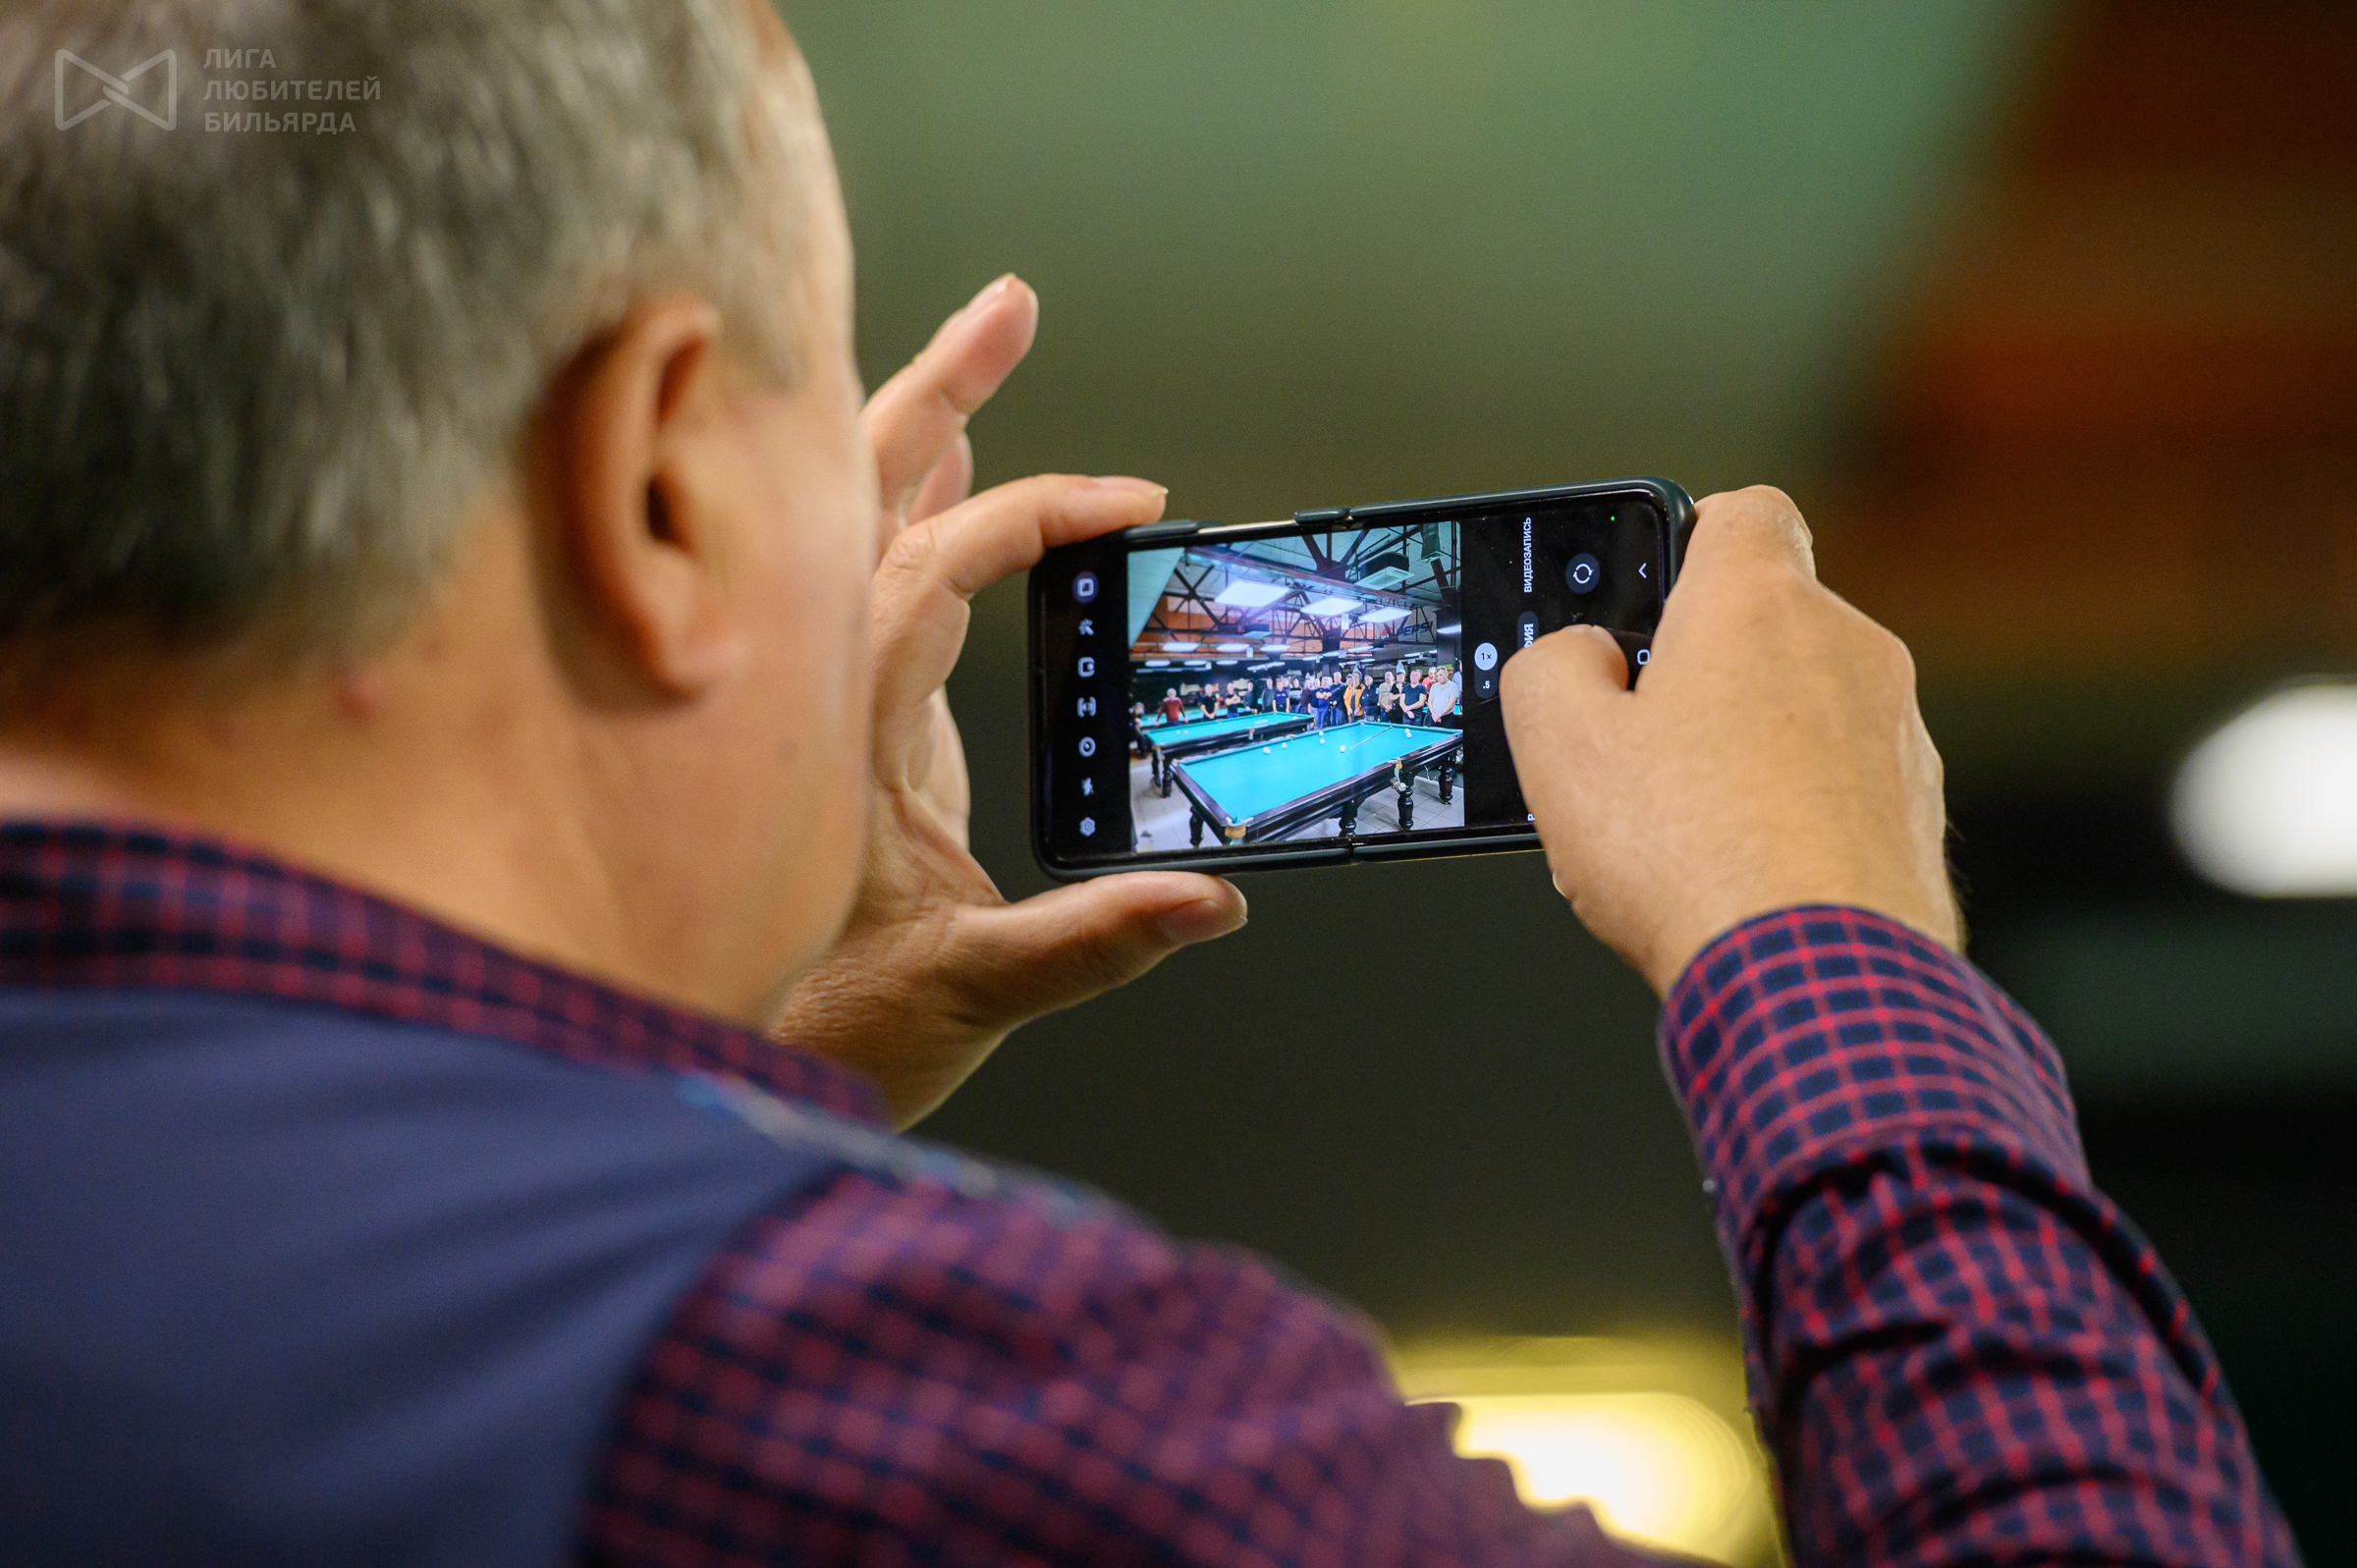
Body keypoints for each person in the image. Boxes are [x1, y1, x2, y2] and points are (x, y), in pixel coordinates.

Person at [0, 3, 2291, 1565]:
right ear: (658, 490)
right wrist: (1824, 950)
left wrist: (709, 1065)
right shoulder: (918, 1386)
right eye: (813, 403)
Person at [1428, 663, 1461, 727]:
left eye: (1441, 675)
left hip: (1447, 718)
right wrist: (1434, 715)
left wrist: (1439, 715)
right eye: (1437, 676)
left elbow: (1451, 704)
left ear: (1446, 674)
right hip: (1434, 717)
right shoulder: (1434, 686)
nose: (1439, 678)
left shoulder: (1453, 686)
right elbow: (1430, 702)